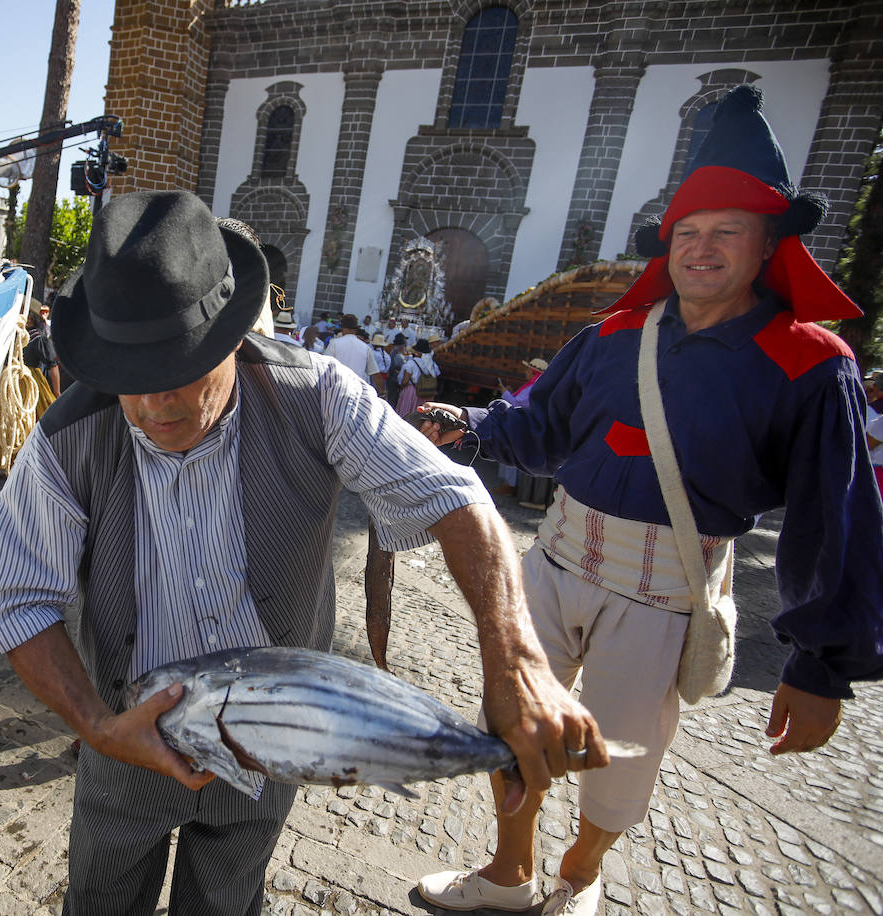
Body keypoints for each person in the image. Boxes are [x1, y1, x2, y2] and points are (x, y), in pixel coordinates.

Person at [0, 189, 607, 916]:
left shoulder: (317, 395)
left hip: (274, 745)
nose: (153, 405)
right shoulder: (68, 438)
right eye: (129, 379)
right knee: (102, 898)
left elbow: (456, 498)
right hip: (127, 740)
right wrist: (100, 728)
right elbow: (12, 599)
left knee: (228, 898)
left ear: (231, 336)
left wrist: (514, 660)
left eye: (180, 369)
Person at [416, 85, 883, 916]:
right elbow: (540, 421)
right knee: (508, 719)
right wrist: (473, 423)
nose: (701, 249)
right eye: (689, 233)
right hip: (555, 562)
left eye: (725, 232)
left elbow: (835, 515)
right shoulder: (611, 336)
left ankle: (582, 872)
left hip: (667, 592)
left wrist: (822, 664)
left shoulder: (812, 364)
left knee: (621, 761)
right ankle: (509, 875)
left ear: (767, 242)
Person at [493, 357, 548, 498]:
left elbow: (516, 403)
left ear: (533, 372)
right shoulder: (537, 385)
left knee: (510, 453)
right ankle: (510, 485)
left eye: (527, 369)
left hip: (521, 425)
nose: (525, 372)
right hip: (526, 425)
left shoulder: (533, 387)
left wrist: (505, 392)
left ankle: (510, 486)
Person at [323, 313, 384, 395]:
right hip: (357, 391)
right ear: (355, 330)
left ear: (342, 328)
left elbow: (324, 366)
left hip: (337, 389)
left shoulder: (334, 343)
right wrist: (382, 394)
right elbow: (375, 373)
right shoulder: (365, 348)